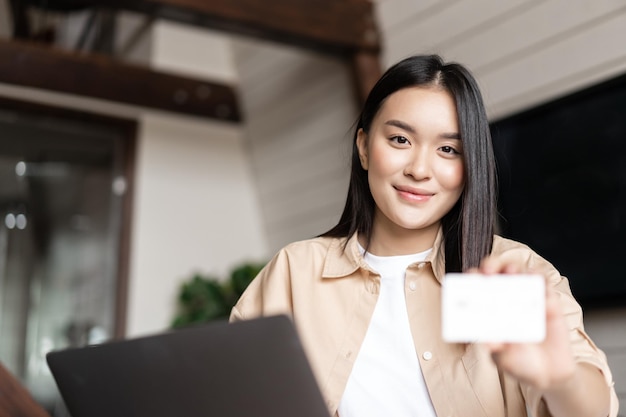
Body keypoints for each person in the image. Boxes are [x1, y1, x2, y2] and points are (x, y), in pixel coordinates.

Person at [230, 54, 618, 417]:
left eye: (448, 149)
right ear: (364, 148)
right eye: (400, 140)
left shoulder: (511, 271)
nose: (419, 169)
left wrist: (560, 379)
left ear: (470, 167)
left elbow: (593, 408)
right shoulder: (295, 272)